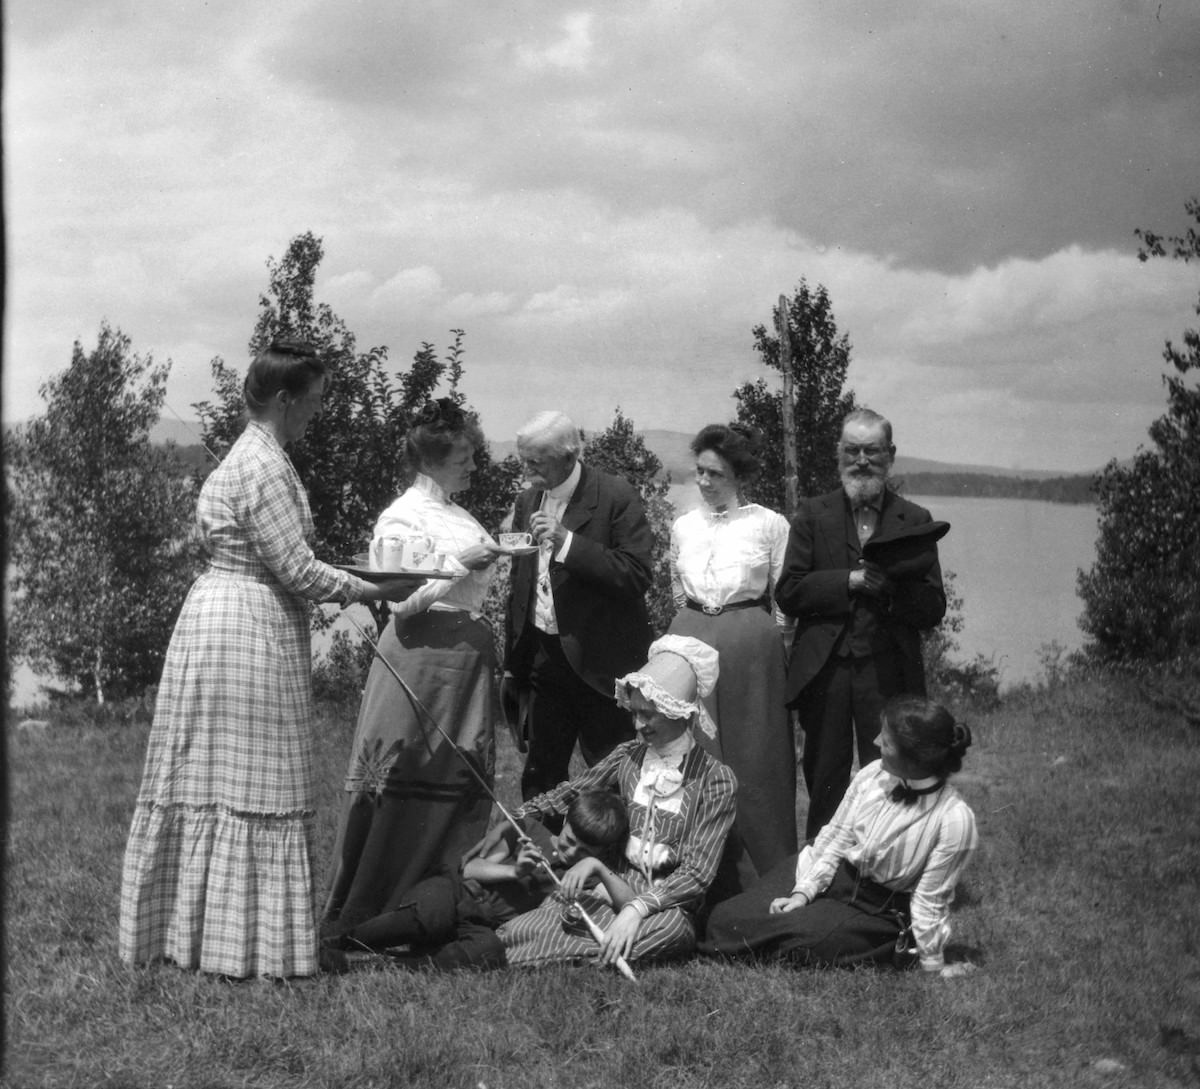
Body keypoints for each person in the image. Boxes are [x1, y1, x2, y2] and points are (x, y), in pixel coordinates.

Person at [118, 339, 416, 979]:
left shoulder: (251, 456)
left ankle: (202, 936)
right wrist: (375, 589)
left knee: (213, 774)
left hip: (221, 619)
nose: (317, 413)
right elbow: (298, 569)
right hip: (245, 628)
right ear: (284, 399)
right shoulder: (265, 465)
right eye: (312, 402)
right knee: (257, 776)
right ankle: (244, 948)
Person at [321, 398, 502, 946]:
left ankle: (439, 900)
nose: (474, 467)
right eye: (464, 458)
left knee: (459, 778)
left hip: (466, 663)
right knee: (399, 778)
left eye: (473, 456)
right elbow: (401, 602)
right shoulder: (400, 518)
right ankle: (369, 906)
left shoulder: (461, 515)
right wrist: (459, 565)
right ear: (432, 461)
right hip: (420, 658)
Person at [486, 635, 737, 968]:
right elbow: (571, 792)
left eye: (648, 715)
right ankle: (526, 945)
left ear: (680, 712)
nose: (637, 725)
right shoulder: (627, 757)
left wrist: (636, 909)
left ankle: (540, 951)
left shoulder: (716, 779)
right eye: (634, 713)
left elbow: (698, 873)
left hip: (666, 908)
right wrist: (518, 815)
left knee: (671, 930)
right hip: (609, 886)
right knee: (564, 911)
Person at [699, 696, 977, 975]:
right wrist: (802, 893)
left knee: (802, 943)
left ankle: (886, 947)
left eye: (888, 741)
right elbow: (836, 839)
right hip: (829, 870)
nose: (876, 742)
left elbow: (930, 899)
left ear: (914, 756)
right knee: (725, 918)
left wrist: (933, 964)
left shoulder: (953, 819)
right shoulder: (871, 775)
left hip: (877, 911)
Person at [776, 408, 947, 841]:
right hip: (825, 673)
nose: (861, 460)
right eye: (852, 450)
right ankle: (819, 870)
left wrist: (889, 588)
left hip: (888, 672)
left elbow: (932, 609)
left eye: (872, 451)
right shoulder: (812, 515)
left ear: (890, 455)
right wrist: (849, 581)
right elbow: (789, 592)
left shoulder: (916, 520)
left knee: (891, 776)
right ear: (839, 454)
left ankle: (885, 870)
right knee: (825, 777)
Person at [667, 422, 796, 889]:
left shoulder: (768, 524)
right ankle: (694, 874)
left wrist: (777, 642)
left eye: (715, 475)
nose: (703, 482)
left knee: (754, 754)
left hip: (750, 642)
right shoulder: (683, 526)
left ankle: (766, 876)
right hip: (690, 635)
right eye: (699, 472)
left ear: (739, 476)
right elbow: (675, 590)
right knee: (692, 753)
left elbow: (786, 594)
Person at [503, 410, 655, 801]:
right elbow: (522, 583)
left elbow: (636, 574)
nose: (525, 469)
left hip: (600, 664)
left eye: (534, 461)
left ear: (568, 457)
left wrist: (567, 543)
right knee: (540, 776)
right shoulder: (527, 499)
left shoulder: (616, 495)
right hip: (543, 660)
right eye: (523, 458)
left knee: (612, 776)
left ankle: (614, 860)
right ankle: (541, 858)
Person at [326, 789, 629, 971]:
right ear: (564, 821)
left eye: (585, 851)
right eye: (570, 839)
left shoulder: (584, 877)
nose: (571, 851)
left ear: (601, 852)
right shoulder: (530, 831)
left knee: (488, 954)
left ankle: (385, 963)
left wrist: (596, 868)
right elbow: (470, 869)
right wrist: (515, 872)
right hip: (458, 893)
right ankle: (341, 943)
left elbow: (630, 903)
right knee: (428, 915)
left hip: (482, 923)